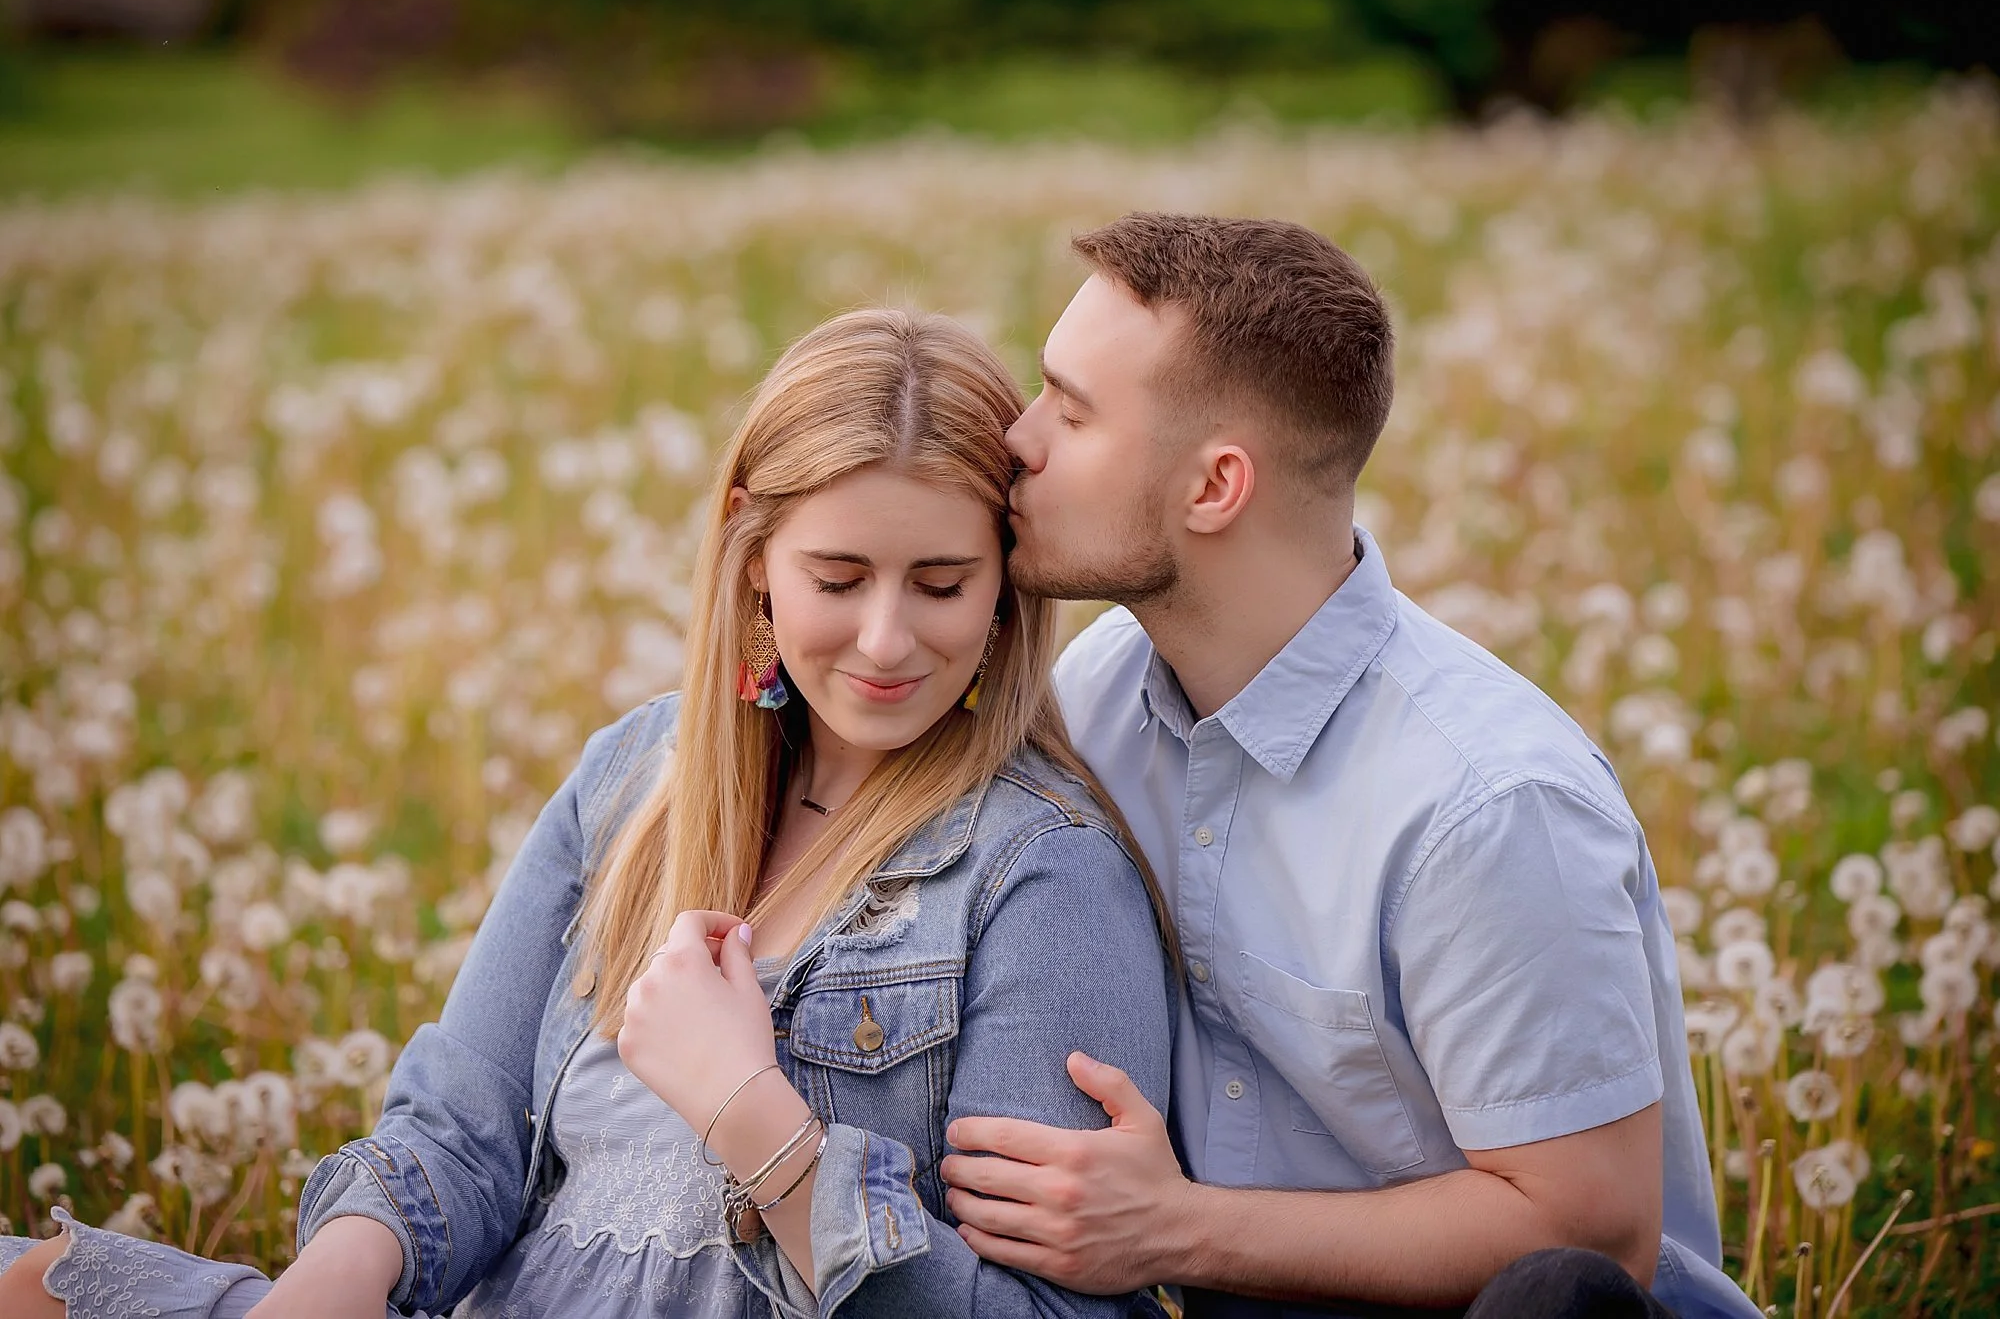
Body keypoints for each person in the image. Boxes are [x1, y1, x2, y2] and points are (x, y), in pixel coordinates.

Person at [0, 308, 1177, 1318]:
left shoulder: (1042, 874)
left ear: (1004, 581)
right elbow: (458, 1132)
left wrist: (755, 1123)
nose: (884, 639)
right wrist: (328, 1285)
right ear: (750, 550)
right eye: (836, 577)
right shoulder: (636, 776)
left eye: (940, 583)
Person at [937, 213, 1763, 1319]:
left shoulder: (1487, 803)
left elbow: (1588, 1227)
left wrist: (1174, 1226)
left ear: (1214, 487)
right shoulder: (1097, 691)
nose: (1018, 440)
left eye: (1071, 411)